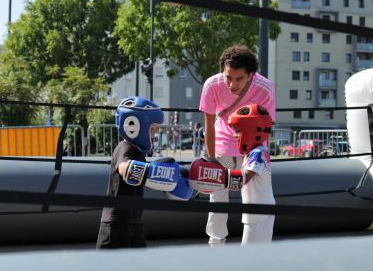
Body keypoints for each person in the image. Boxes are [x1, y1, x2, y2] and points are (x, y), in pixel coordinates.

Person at [199, 45, 276, 246]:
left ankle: (251, 249)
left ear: (250, 75)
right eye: (228, 77)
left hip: (250, 148)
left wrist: (257, 159)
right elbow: (209, 127)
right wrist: (211, 160)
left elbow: (266, 127)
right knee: (217, 199)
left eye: (239, 78)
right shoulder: (211, 85)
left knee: (252, 198)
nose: (232, 84)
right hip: (222, 145)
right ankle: (215, 245)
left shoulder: (266, 87)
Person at [96, 97, 192, 249]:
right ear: (134, 126)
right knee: (111, 270)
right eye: (152, 129)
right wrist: (153, 171)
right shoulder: (125, 147)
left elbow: (145, 176)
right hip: (116, 222)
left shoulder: (138, 153)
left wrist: (174, 178)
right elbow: (124, 168)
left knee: (139, 268)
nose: (154, 135)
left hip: (134, 221)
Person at [189, 104, 275, 245]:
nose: (234, 136)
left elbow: (243, 179)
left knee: (252, 259)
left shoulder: (258, 154)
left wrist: (215, 177)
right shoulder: (253, 153)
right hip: (256, 214)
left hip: (260, 215)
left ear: (252, 130)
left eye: (238, 131)